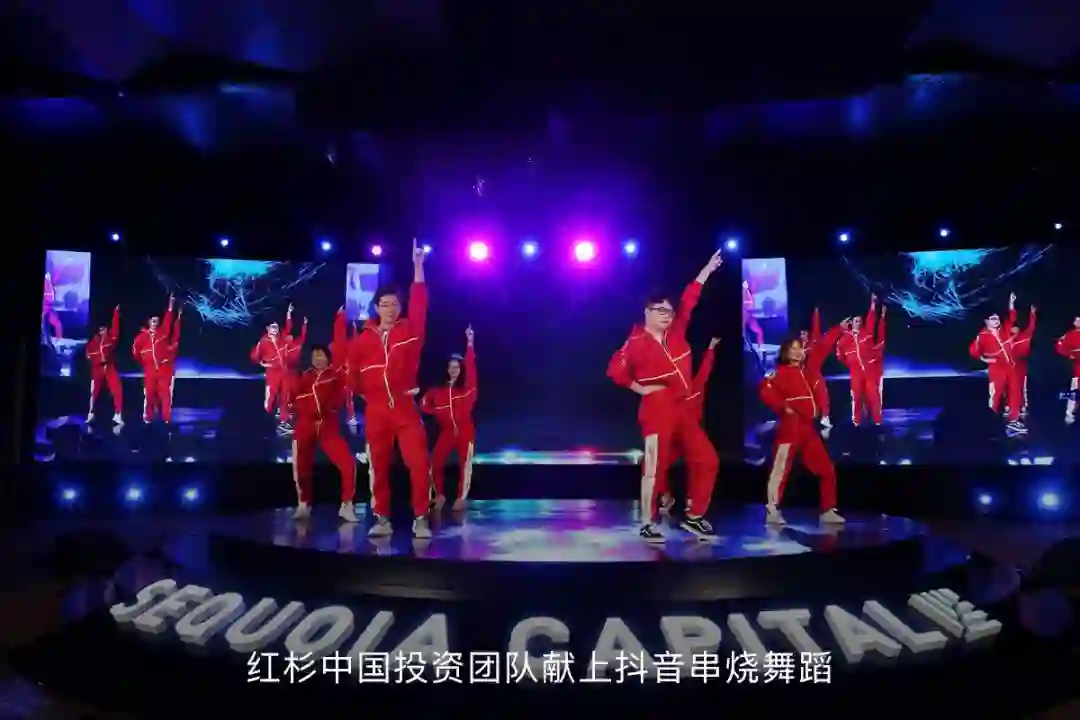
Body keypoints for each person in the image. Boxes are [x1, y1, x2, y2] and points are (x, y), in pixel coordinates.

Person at [607, 250, 723, 542]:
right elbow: (615, 371)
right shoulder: (635, 342)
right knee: (654, 466)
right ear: (647, 312)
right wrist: (641, 389)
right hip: (657, 407)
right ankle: (647, 522)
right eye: (660, 310)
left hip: (683, 407)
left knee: (707, 459)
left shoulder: (678, 331)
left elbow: (690, 297)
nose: (667, 314)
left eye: (669, 310)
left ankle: (694, 515)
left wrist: (707, 269)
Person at [349, 239, 431, 538]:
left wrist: (418, 266)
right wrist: (369, 396)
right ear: (376, 308)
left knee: (418, 463)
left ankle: (420, 518)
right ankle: (382, 519)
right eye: (384, 304)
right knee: (378, 466)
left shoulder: (410, 331)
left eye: (395, 304)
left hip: (405, 408)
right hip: (377, 411)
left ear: (400, 307)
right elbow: (353, 376)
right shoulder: (362, 341)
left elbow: (420, 304)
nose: (390, 309)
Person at [759, 332, 848, 526]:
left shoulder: (808, 374)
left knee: (826, 469)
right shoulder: (778, 373)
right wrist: (784, 407)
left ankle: (828, 510)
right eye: (793, 348)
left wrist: (824, 414)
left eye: (800, 348)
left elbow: (820, 392)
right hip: (790, 427)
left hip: (808, 428)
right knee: (780, 469)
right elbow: (765, 391)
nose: (798, 352)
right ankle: (772, 510)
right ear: (785, 352)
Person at [291, 344, 358, 522]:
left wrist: (325, 407)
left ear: (328, 358)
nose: (317, 359)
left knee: (348, 464)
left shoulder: (335, 377)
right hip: (305, 426)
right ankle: (304, 503)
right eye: (315, 357)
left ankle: (347, 505)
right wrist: (310, 407)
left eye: (321, 356)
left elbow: (340, 398)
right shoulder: (305, 376)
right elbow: (296, 399)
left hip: (328, 427)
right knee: (301, 469)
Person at [422, 326, 478, 512]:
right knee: (435, 462)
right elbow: (424, 404)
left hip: (465, 432)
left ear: (461, 369)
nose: (453, 370)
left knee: (465, 466)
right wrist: (434, 412)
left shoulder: (468, 388)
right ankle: (439, 495)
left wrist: (470, 343)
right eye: (450, 367)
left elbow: (471, 366)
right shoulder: (437, 391)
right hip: (447, 432)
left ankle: (461, 498)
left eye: (457, 367)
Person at [661, 337, 718, 515]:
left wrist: (711, 349)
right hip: (674, 434)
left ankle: (692, 501)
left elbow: (705, 369)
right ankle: (666, 497)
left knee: (698, 463)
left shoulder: (696, 385)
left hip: (691, 432)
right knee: (658, 464)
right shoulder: (669, 390)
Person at [969, 293, 1027, 435]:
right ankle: (990, 421)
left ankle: (1014, 421)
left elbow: (1012, 317)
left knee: (1015, 393)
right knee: (996, 394)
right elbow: (973, 351)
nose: (996, 321)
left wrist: (1011, 303)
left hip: (1011, 367)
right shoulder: (982, 335)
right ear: (986, 321)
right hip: (997, 368)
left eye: (997, 318)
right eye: (993, 319)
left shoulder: (1004, 329)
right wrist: (984, 359)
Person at [836, 294, 882, 427]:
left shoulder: (866, 333)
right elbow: (839, 353)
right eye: (856, 321)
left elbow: (871, 320)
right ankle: (856, 421)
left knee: (873, 396)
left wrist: (873, 305)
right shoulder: (845, 338)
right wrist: (849, 363)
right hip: (855, 372)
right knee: (856, 397)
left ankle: (877, 421)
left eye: (860, 321)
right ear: (851, 323)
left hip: (868, 370)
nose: (858, 323)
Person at [131, 294, 175, 423]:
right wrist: (145, 362)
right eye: (154, 321)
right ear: (149, 322)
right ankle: (148, 416)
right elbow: (135, 353)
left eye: (157, 321)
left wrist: (171, 305)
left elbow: (168, 320)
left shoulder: (163, 333)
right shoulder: (141, 338)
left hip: (162, 369)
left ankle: (166, 418)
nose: (156, 324)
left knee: (165, 394)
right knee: (149, 394)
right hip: (149, 370)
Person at [250, 310, 295, 429]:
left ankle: (284, 421)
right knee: (270, 397)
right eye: (273, 327)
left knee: (285, 395)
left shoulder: (281, 339)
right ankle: (264, 423)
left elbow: (288, 329)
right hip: (272, 373)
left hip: (284, 371)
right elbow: (254, 356)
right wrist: (263, 364)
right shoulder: (263, 341)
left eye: (277, 327)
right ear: (267, 328)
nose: (276, 329)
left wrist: (288, 314)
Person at [85, 305, 124, 425]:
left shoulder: (110, 338)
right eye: (101, 330)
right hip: (97, 369)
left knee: (117, 389)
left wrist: (116, 313)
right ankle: (91, 414)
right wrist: (96, 361)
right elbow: (88, 355)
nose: (104, 331)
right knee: (94, 392)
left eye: (105, 329)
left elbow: (116, 329)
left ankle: (118, 415)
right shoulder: (93, 343)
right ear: (98, 331)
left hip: (109, 367)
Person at [800, 307, 833, 430]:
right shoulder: (797, 347)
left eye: (805, 334)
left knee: (822, 395)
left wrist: (816, 313)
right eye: (801, 334)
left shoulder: (813, 343)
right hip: (803, 377)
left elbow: (816, 328)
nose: (803, 336)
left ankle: (825, 417)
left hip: (814, 375)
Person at [1005, 302, 1036, 418]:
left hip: (1021, 364)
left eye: (1016, 327)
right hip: (1009, 365)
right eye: (1012, 327)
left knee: (1021, 386)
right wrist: (1011, 305)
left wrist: (1032, 313)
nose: (1014, 329)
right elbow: (1010, 319)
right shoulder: (1006, 338)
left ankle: (1023, 405)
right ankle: (1009, 405)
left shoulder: (1025, 336)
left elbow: (1031, 326)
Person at [281, 304, 308, 432]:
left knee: (294, 395)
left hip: (294, 373)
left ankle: (289, 414)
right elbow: (288, 326)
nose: (289, 336)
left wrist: (305, 324)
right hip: (285, 373)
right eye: (288, 336)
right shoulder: (284, 344)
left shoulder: (298, 343)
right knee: (285, 396)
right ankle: (283, 421)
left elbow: (303, 335)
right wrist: (288, 314)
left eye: (291, 335)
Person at [158, 307, 182, 422]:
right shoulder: (160, 340)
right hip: (158, 370)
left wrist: (178, 317)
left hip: (168, 372)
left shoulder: (173, 344)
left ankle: (166, 416)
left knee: (167, 395)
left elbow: (176, 333)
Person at [1055, 316, 1080, 425]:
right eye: (1077, 320)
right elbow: (1059, 345)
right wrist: (1069, 354)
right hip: (1077, 368)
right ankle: (1069, 414)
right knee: (1074, 391)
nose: (1078, 322)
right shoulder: (1070, 334)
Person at [742, 280, 765, 349]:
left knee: (759, 331)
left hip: (749, 316)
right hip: (744, 316)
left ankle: (760, 347)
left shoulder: (748, 292)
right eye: (745, 283)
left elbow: (750, 305)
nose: (746, 284)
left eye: (746, 283)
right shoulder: (742, 293)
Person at [42, 272, 64, 340]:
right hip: (46, 307)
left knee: (57, 324)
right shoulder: (46, 282)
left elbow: (51, 296)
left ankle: (58, 339)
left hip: (49, 308)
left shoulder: (50, 282)